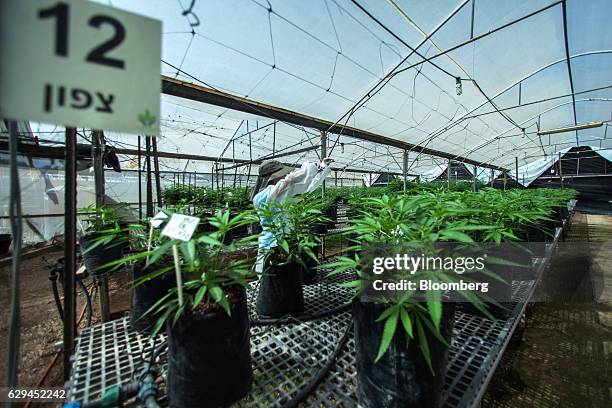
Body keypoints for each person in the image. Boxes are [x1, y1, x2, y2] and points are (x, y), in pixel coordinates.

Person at [251, 158, 334, 273]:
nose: (284, 176)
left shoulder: (259, 197)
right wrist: (319, 166)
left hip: (269, 243)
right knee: (280, 281)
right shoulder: (275, 193)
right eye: (282, 175)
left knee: (270, 282)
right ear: (275, 177)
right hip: (279, 243)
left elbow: (303, 186)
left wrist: (321, 168)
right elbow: (295, 181)